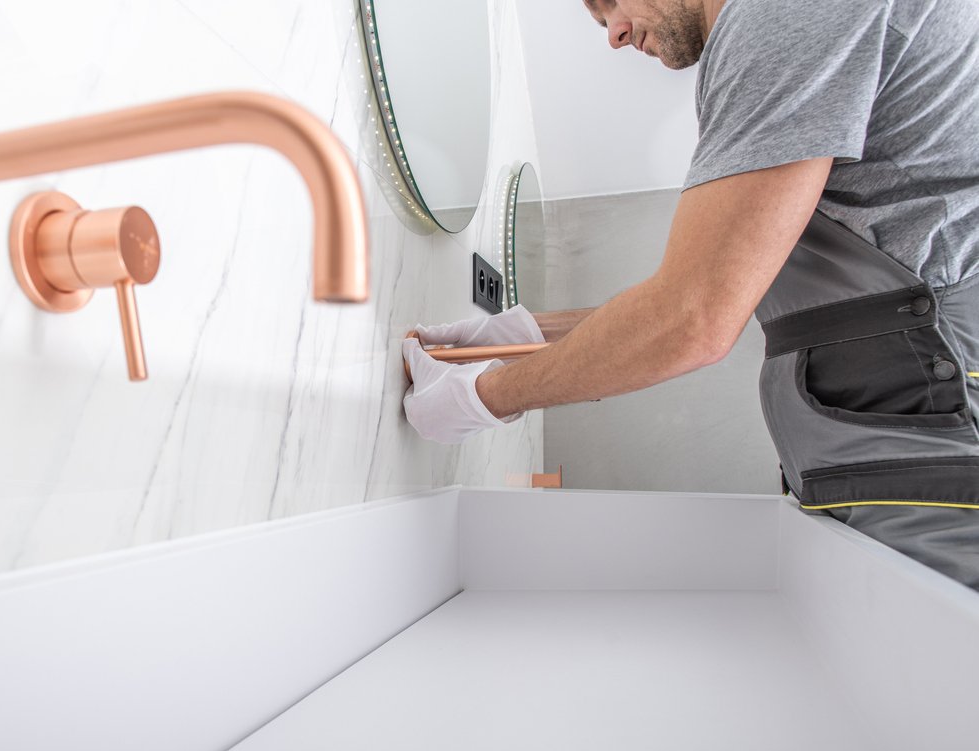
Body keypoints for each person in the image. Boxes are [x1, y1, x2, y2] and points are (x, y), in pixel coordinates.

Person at [403, 0, 979, 589]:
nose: (615, 35)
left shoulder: (784, 15)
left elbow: (692, 318)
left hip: (932, 408)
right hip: (904, 417)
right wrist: (525, 333)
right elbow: (703, 295)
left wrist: (482, 398)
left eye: (609, 7)